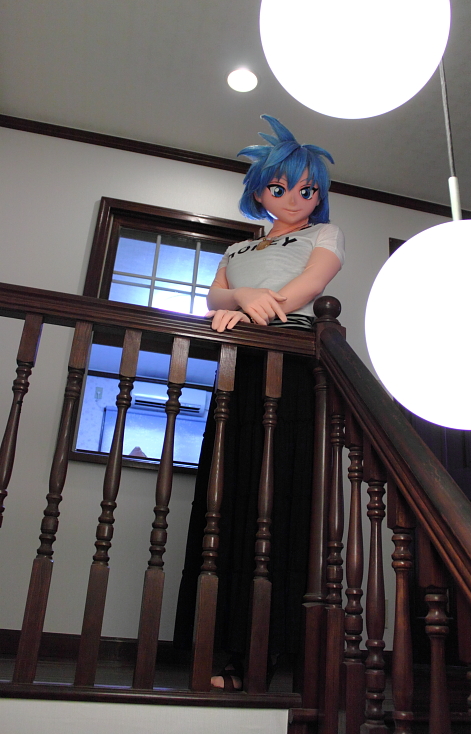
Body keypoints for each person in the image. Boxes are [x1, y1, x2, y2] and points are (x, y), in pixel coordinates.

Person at [173, 115, 344, 690]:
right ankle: (219, 645)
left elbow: (310, 287)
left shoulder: (325, 235)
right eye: (280, 186)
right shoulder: (237, 247)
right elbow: (213, 296)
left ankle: (263, 654)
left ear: (318, 195)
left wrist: (249, 309)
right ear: (259, 191)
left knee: (282, 497)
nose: (293, 198)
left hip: (291, 365)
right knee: (228, 497)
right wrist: (240, 298)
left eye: (307, 189)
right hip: (238, 369)